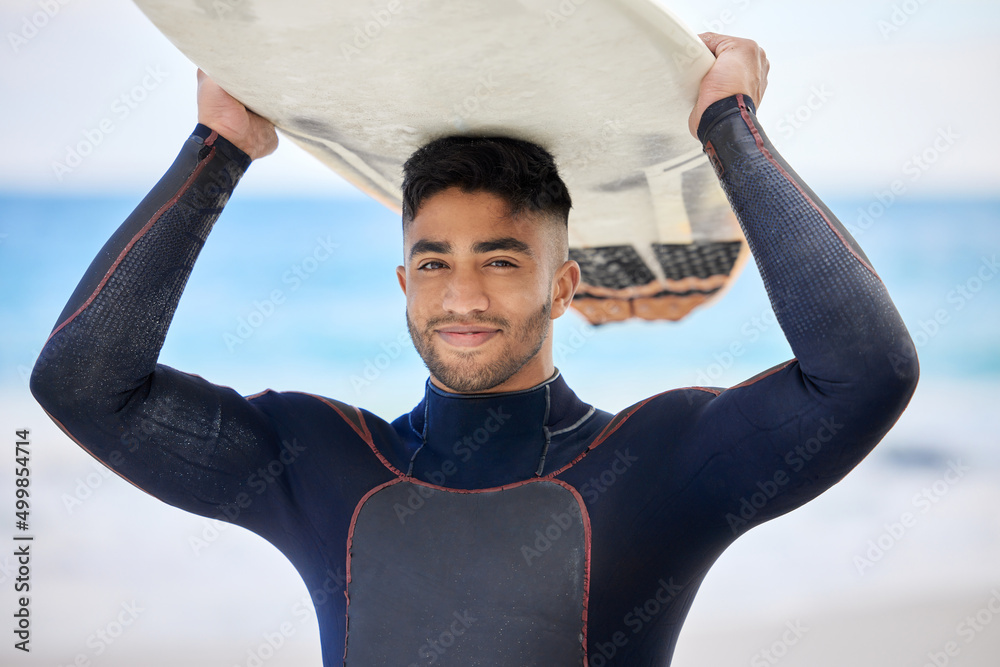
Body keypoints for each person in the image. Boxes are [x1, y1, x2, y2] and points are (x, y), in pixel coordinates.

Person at [31, 33, 918, 666]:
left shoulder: (658, 462)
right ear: (403, 282)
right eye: (433, 262)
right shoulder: (320, 461)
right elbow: (81, 382)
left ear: (564, 286)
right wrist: (218, 149)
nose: (460, 296)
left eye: (500, 259)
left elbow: (865, 373)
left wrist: (728, 124)